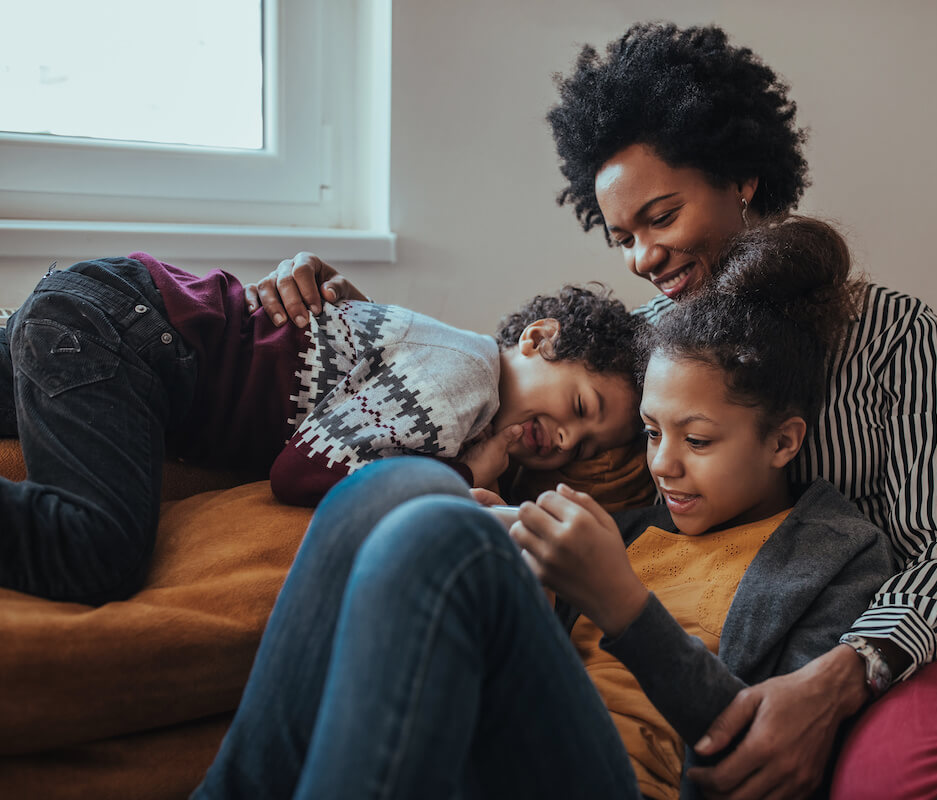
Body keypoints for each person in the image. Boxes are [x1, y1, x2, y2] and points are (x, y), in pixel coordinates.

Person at [248, 21, 937, 799]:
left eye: (662, 217)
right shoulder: (644, 349)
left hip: (854, 639)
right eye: (622, 237)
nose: (643, 258)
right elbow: (505, 384)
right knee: (396, 498)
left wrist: (840, 676)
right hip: (632, 647)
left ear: (742, 178)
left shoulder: (889, 335)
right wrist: (360, 322)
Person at [193, 215, 894, 800]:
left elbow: (770, 758)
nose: (663, 464)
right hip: (507, 752)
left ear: (783, 440)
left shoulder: (837, 553)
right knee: (394, 491)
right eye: (651, 432)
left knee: (444, 536)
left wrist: (622, 605)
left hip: (632, 783)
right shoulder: (629, 523)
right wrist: (511, 548)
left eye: (699, 439)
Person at [0, 253, 643, 606]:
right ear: (537, 338)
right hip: (133, 336)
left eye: (585, 447)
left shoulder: (452, 367)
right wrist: (468, 474)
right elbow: (305, 470)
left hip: (108, 309)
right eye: (581, 407)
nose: (565, 441)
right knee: (97, 551)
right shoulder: (467, 377)